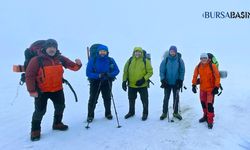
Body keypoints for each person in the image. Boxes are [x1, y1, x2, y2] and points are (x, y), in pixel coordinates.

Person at [25, 39, 82, 141]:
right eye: (49, 47)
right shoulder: (37, 60)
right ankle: (35, 130)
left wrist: (78, 65)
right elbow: (29, 75)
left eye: (54, 47)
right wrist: (32, 90)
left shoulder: (60, 58)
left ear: (56, 48)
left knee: (60, 107)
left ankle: (57, 123)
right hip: (41, 91)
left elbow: (72, 66)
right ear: (45, 48)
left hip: (57, 89)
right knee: (40, 111)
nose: (51, 49)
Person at [86, 44, 119, 123]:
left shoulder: (111, 60)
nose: (102, 53)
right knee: (93, 99)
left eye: (104, 51)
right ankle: (90, 115)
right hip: (95, 82)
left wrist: (109, 74)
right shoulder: (93, 60)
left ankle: (108, 113)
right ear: (98, 52)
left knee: (107, 98)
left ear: (107, 52)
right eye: (101, 51)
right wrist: (98, 75)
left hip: (107, 81)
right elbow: (88, 73)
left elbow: (117, 70)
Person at [122, 47, 153, 121]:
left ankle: (145, 113)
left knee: (144, 100)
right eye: (136, 52)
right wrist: (124, 81)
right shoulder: (130, 60)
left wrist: (143, 79)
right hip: (131, 85)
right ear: (133, 52)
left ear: (141, 53)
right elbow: (125, 72)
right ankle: (131, 112)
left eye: (139, 52)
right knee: (131, 99)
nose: (137, 53)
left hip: (142, 85)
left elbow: (150, 72)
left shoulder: (145, 61)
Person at [192, 53, 220, 129]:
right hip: (202, 89)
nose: (203, 59)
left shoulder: (212, 66)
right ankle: (205, 116)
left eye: (205, 58)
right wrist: (193, 85)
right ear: (200, 59)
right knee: (203, 103)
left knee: (209, 105)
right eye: (202, 58)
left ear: (207, 58)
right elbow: (195, 76)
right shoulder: (198, 66)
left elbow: (217, 77)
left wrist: (216, 87)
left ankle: (210, 120)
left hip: (211, 89)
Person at [159, 46, 185, 121]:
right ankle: (164, 113)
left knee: (176, 98)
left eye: (174, 51)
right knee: (166, 98)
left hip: (176, 83)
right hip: (167, 83)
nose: (172, 52)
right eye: (171, 51)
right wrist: (163, 80)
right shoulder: (166, 60)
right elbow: (161, 71)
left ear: (176, 52)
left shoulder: (179, 60)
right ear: (169, 52)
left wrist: (180, 80)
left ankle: (175, 112)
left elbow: (182, 71)